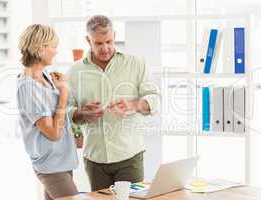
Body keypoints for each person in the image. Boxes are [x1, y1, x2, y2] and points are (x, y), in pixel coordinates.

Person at [67, 15, 160, 191]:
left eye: (109, 41)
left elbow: (155, 99)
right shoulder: (75, 71)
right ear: (88, 40)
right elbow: (67, 110)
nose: (105, 48)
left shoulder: (135, 63)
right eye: (98, 43)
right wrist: (82, 113)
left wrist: (134, 105)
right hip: (95, 160)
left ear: (115, 35)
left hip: (129, 157)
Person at [17, 24, 79, 200]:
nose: (55, 52)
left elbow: (57, 118)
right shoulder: (28, 87)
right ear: (39, 48)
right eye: (53, 46)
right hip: (51, 165)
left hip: (61, 161)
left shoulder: (45, 77)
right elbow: (52, 132)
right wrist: (64, 93)